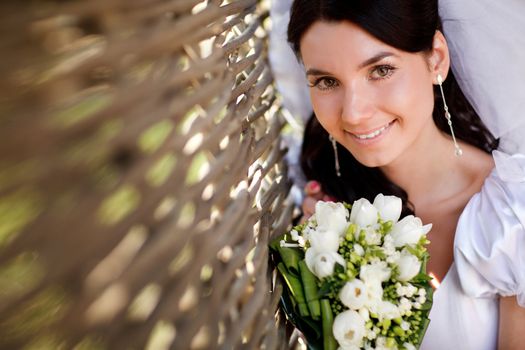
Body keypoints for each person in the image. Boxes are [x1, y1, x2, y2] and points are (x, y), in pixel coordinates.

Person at [271, 0, 525, 349]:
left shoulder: (512, 219)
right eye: (327, 81)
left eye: (380, 71)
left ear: (436, 58)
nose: (354, 113)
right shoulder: (323, 213)